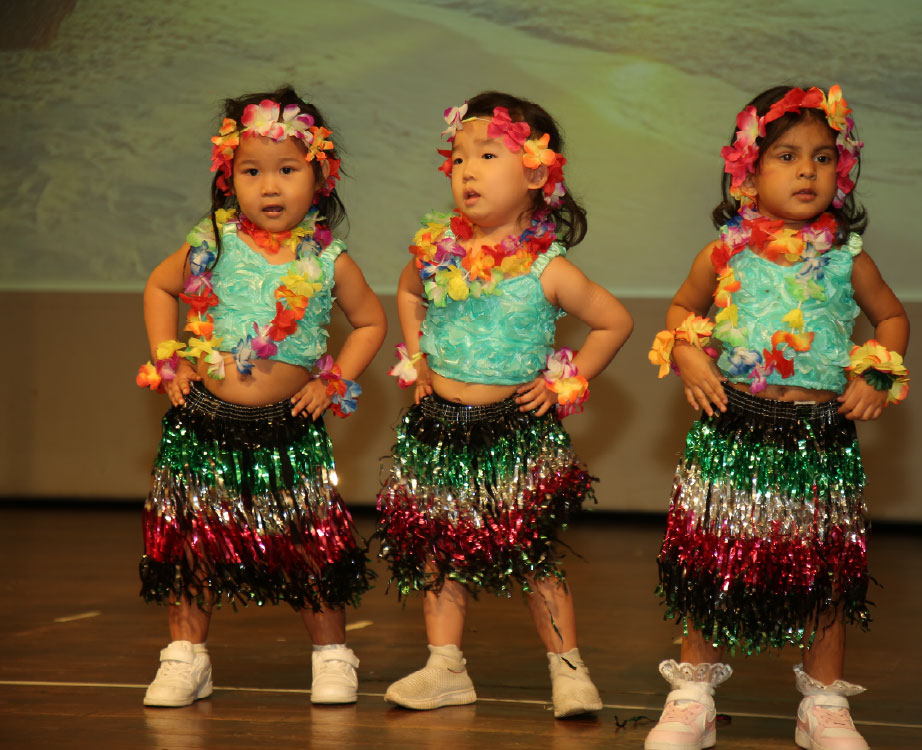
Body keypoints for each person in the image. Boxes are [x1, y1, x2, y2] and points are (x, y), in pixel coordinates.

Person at [646, 85, 910, 750]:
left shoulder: (847, 258)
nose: (807, 171)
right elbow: (680, 310)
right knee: (713, 564)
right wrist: (688, 352)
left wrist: (877, 371)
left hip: (819, 436)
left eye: (823, 157)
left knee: (824, 574)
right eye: (787, 156)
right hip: (733, 427)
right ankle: (693, 696)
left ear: (841, 172)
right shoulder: (724, 253)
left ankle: (823, 705)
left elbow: (891, 317)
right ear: (747, 171)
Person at [377, 91, 633, 718]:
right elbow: (408, 293)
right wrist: (420, 357)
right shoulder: (436, 250)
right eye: (460, 157)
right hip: (438, 427)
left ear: (537, 175)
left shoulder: (548, 268)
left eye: (488, 155)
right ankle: (445, 667)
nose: (467, 170)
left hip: (513, 431)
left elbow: (614, 322)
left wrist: (566, 380)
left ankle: (568, 671)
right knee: (438, 551)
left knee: (533, 554)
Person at [136, 86, 386, 708]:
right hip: (204, 421)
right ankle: (186, 657)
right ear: (229, 177)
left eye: (287, 170)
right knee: (191, 539)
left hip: (288, 426)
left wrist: (333, 379)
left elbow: (370, 322)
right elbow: (160, 288)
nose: (269, 187)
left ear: (320, 177)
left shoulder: (328, 259)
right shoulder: (212, 243)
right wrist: (169, 359)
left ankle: (332, 655)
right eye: (252, 172)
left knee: (310, 543)